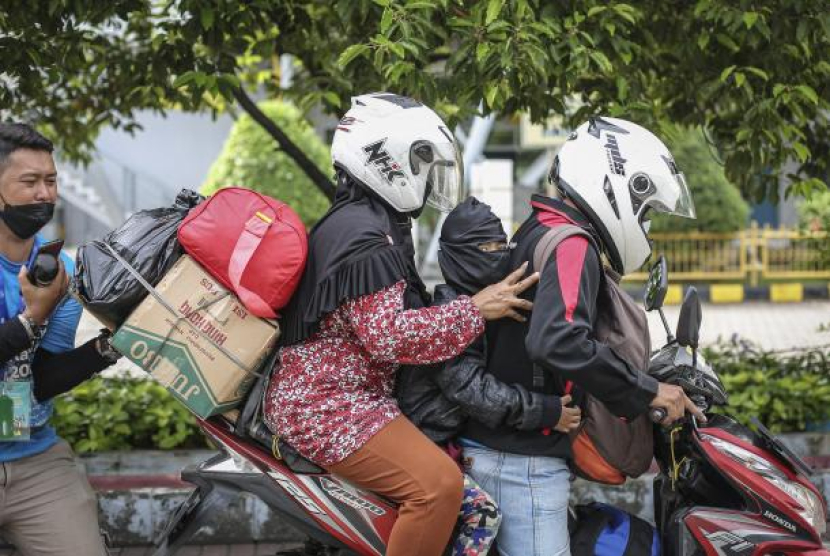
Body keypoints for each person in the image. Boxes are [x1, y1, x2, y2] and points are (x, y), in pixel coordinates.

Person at [263, 93, 538, 556]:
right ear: (386, 157)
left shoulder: (369, 221)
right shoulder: (365, 235)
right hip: (331, 406)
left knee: (475, 508)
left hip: (349, 399)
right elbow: (389, 336)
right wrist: (476, 309)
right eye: (422, 161)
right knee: (438, 488)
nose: (429, 176)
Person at [460, 117, 706, 556]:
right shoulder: (572, 244)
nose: (644, 224)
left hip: (511, 448)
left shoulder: (542, 228)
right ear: (615, 187)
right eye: (644, 210)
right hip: (521, 463)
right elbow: (557, 339)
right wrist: (646, 390)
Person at [395, 197, 582, 555]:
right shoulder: (447, 315)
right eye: (484, 247)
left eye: (501, 246)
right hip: (426, 443)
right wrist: (544, 411)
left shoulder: (493, 303)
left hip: (456, 443)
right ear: (454, 255)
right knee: (483, 516)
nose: (496, 255)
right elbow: (471, 389)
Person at [0, 123, 123, 555]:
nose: (44, 194)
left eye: (50, 181)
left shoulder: (59, 272)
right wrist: (33, 317)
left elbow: (43, 379)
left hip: (34, 459)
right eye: (29, 181)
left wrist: (110, 345)